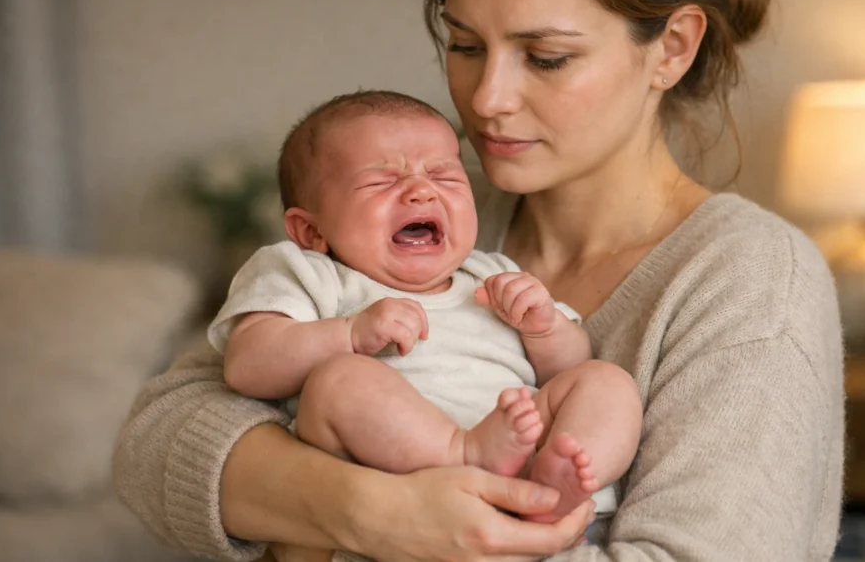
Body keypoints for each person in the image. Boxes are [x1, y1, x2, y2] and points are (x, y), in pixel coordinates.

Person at [114, 0, 844, 560]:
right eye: (464, 45)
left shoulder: (749, 280)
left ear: (672, 48)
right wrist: (374, 511)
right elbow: (156, 437)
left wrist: (304, 523)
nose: (485, 98)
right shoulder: (430, 216)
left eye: (547, 57)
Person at [209, 90, 642, 530]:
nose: (420, 191)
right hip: (409, 493)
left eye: (444, 176)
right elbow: (246, 365)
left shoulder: (491, 274)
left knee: (603, 380)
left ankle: (560, 479)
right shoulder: (310, 273)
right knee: (339, 380)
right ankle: (465, 453)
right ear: (311, 229)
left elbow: (564, 371)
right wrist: (349, 335)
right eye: (382, 181)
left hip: (525, 452)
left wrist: (544, 330)